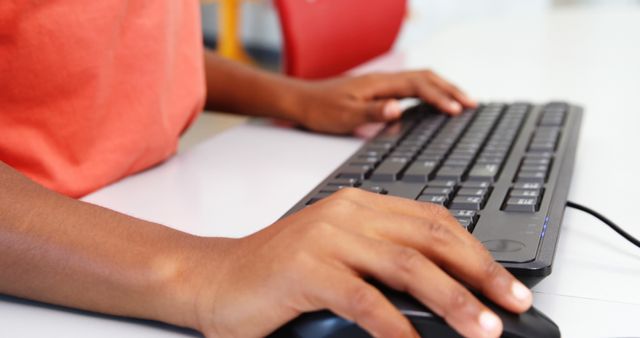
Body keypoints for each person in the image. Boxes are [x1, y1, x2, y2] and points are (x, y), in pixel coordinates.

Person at [0, 2, 532, 338]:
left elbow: (128, 42)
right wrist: (204, 273)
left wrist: (296, 98)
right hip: (48, 269)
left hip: (154, 191)